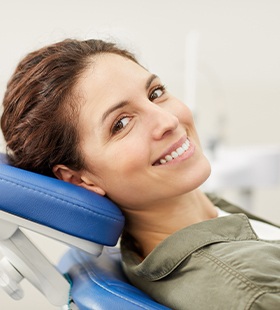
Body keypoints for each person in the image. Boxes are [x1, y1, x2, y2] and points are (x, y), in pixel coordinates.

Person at [1, 38, 280, 310]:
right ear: (79, 179)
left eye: (155, 93)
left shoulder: (199, 223)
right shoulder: (253, 291)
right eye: (121, 124)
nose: (168, 120)